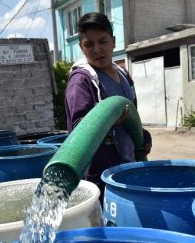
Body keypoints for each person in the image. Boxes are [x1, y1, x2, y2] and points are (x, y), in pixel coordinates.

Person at [64, 12, 152, 202]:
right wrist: (107, 122)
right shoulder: (81, 81)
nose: (97, 49)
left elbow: (131, 115)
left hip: (127, 166)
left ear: (113, 41)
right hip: (100, 176)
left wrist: (142, 135)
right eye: (89, 44)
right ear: (81, 47)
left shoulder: (124, 75)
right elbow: (80, 130)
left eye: (102, 41)